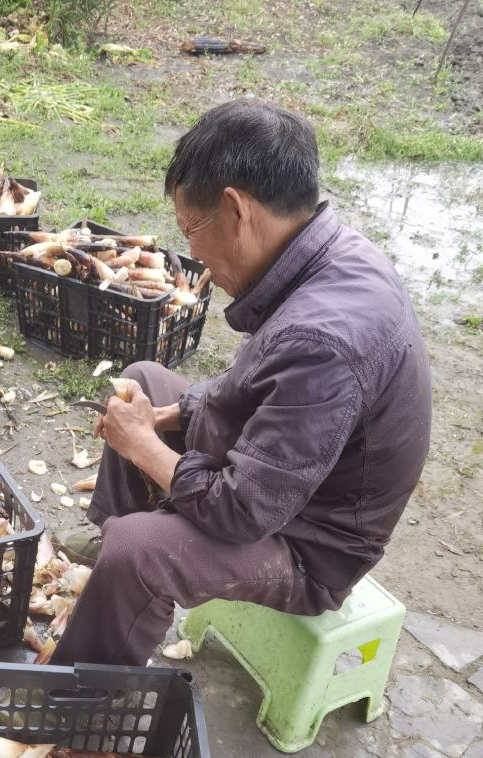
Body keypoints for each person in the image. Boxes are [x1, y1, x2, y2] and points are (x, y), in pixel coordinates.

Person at [51, 100, 432, 667]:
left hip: (308, 544)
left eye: (191, 229)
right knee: (144, 384)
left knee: (140, 551)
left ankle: (76, 701)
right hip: (289, 483)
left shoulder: (323, 340)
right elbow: (258, 385)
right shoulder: (327, 255)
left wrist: (143, 445)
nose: (195, 254)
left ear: (236, 209)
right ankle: (110, 542)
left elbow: (241, 513)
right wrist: (167, 417)